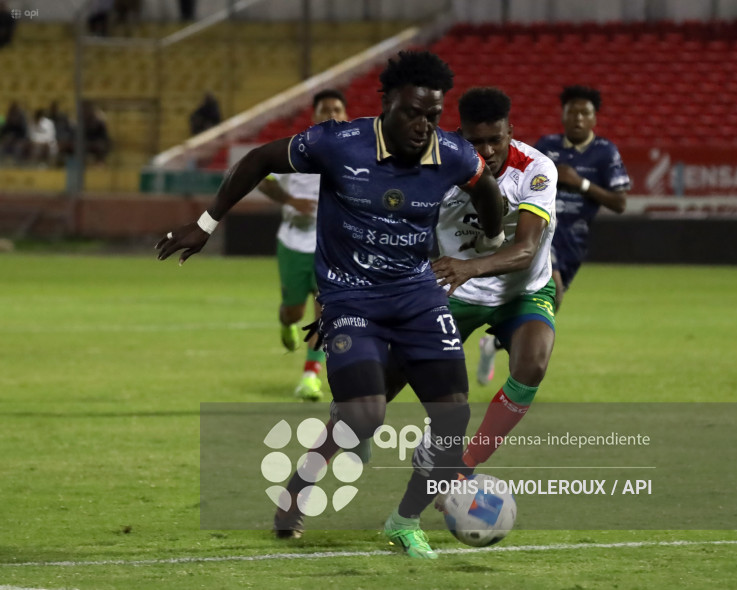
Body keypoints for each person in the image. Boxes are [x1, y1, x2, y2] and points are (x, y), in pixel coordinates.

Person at [156, 51, 505, 560]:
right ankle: (297, 492)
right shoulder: (338, 143)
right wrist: (206, 225)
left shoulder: (450, 153)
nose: (424, 126)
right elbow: (258, 160)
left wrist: (492, 235)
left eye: (433, 116)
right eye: (413, 113)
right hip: (350, 297)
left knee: (452, 418)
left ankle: (404, 520)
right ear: (386, 103)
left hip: (416, 296)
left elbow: (486, 188)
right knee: (365, 415)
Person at [273, 86, 558, 536]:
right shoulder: (439, 166)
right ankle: (296, 490)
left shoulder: (537, 168)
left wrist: (470, 266)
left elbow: (524, 249)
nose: (488, 151)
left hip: (520, 291)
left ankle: (450, 477)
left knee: (533, 364)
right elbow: (402, 237)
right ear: (460, 134)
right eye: (477, 141)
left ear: (510, 134)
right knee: (366, 404)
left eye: (496, 141)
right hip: (447, 287)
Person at [476, 85, 630, 385]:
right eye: (571, 112)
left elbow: (620, 202)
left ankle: (493, 344)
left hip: (575, 239)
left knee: (552, 299)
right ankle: (517, 356)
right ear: (562, 115)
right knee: (554, 290)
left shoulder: (605, 152)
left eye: (584, 113)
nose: (577, 118)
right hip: (543, 229)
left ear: (594, 119)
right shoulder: (546, 146)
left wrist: (581, 183)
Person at [257, 89, 349, 401]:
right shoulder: (295, 149)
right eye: (325, 109)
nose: (331, 115)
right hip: (294, 243)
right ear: (314, 115)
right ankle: (286, 323)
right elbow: (262, 179)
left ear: (346, 114)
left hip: (332, 247)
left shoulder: (356, 152)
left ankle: (311, 376)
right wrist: (290, 199)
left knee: (325, 312)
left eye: (337, 109)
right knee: (295, 312)